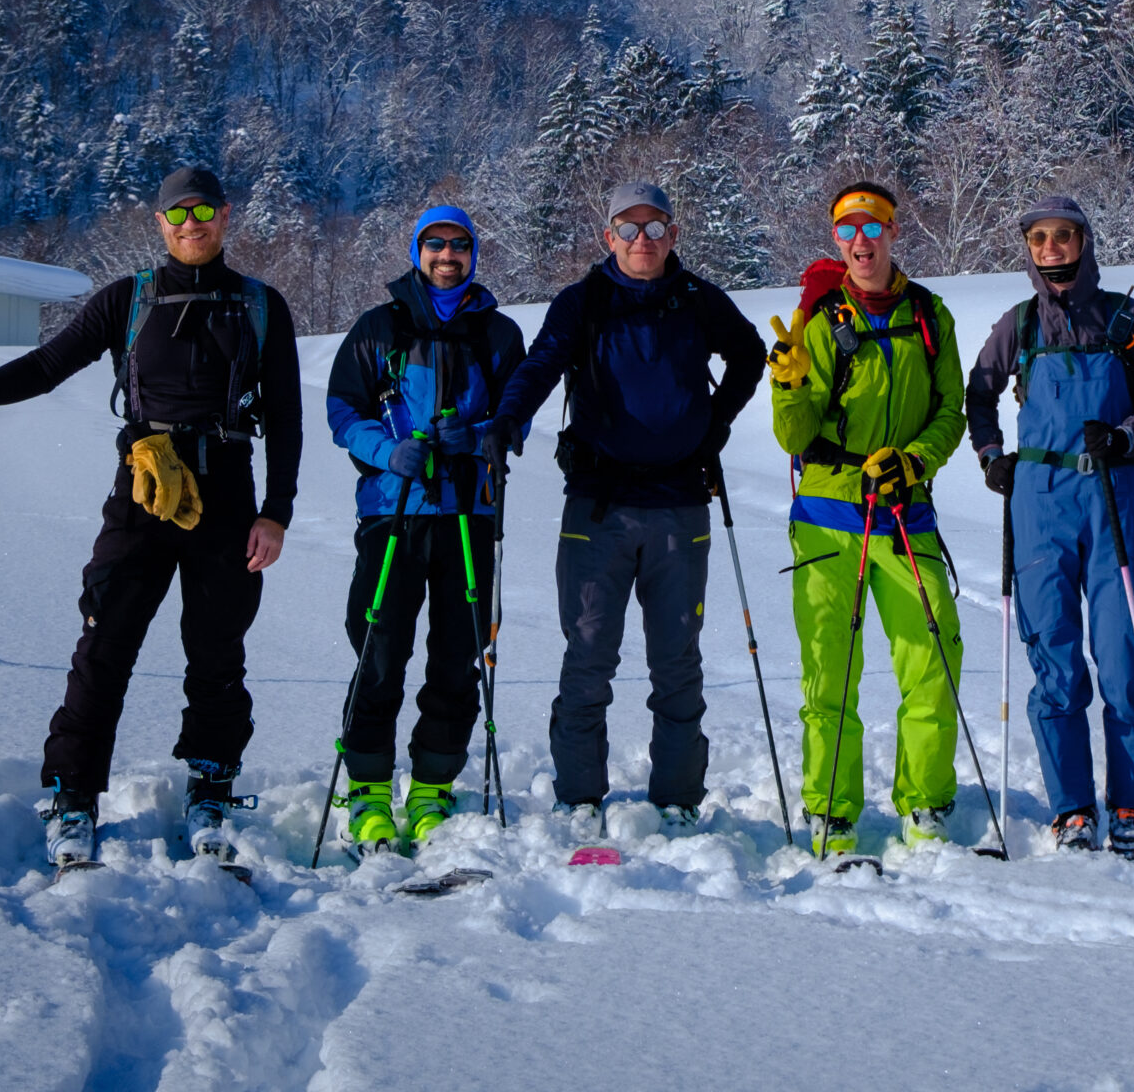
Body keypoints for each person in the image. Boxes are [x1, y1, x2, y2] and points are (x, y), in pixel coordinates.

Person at [0, 165, 300, 871]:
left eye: (202, 211)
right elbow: (47, 366)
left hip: (228, 494)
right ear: (160, 223)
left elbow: (288, 418)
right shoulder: (129, 299)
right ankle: (73, 796)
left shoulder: (260, 305)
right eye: (177, 213)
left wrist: (276, 515)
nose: (190, 224)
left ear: (224, 216)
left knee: (217, 651)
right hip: (143, 491)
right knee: (104, 644)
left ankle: (211, 789)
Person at [486, 181, 763, 839]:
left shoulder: (697, 298)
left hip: (680, 504)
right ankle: (579, 796)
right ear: (608, 236)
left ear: (673, 234)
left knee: (677, 661)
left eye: (655, 227)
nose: (643, 240)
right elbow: (542, 364)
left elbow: (750, 354)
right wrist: (506, 422)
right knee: (588, 655)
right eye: (629, 228)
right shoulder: (583, 301)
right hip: (598, 505)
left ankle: (678, 798)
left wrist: (713, 426)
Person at [965, 195, 1134, 858]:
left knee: (1124, 655)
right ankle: (1073, 808)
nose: (1051, 247)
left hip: (1113, 494)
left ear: (1084, 241)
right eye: (1039, 238)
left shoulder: (1125, 317)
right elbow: (979, 390)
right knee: (1054, 657)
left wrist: (1127, 437)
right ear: (1029, 248)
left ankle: (1130, 803)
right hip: (1040, 499)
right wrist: (992, 456)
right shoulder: (1020, 323)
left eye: (1063, 235)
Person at [765, 182, 969, 856]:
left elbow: (950, 412)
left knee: (933, 657)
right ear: (837, 239)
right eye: (848, 230)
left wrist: (915, 461)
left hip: (905, 513)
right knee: (830, 671)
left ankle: (926, 803)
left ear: (892, 233)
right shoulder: (822, 321)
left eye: (873, 228)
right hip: (828, 516)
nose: (861, 241)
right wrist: (789, 384)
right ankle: (832, 810)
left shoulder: (930, 315)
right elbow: (795, 438)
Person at [323, 205, 525, 852]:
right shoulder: (379, 327)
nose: (447, 255)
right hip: (395, 511)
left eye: (459, 244)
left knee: (458, 655)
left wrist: (481, 434)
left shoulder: (498, 333)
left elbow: (517, 415)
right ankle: (368, 788)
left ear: (473, 253)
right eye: (435, 244)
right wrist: (389, 452)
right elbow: (342, 410)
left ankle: (433, 787)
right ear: (417, 251)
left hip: (469, 512)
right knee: (379, 650)